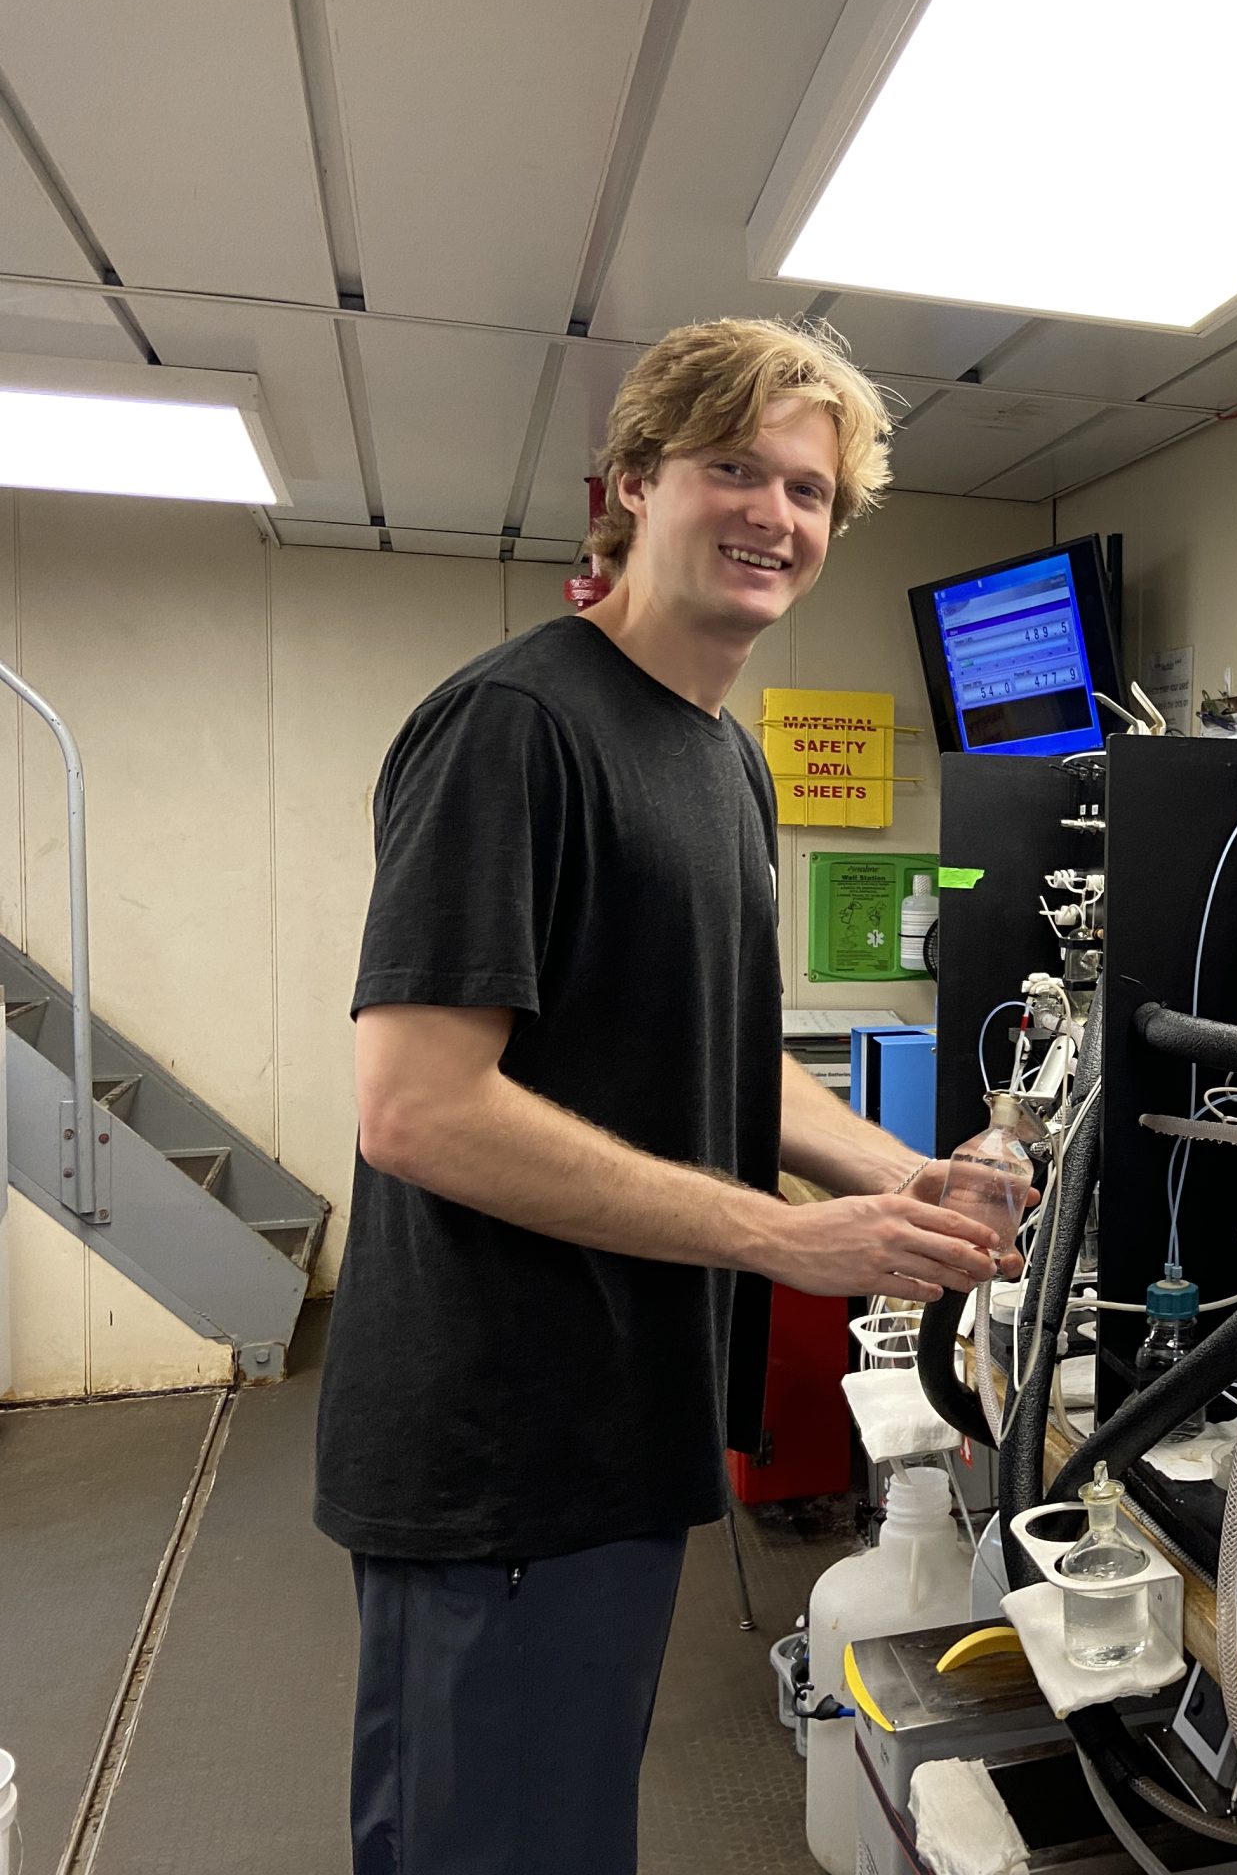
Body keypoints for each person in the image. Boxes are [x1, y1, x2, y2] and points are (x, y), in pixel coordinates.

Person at [314, 316, 1010, 1874]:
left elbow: (718, 1055)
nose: (775, 514)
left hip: (623, 1429)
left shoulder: (718, 759)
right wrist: (776, 1241)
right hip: (502, 1454)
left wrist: (895, 1181)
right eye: (731, 470)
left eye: (811, 490)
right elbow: (419, 1106)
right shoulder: (516, 730)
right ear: (630, 486)